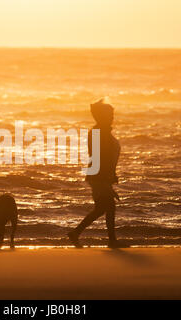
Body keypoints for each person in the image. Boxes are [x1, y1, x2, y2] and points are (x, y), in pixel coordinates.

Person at [68, 99, 128, 249]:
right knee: (109, 207)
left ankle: (76, 233)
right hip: (99, 175)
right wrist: (107, 178)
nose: (112, 117)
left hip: (102, 175)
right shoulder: (97, 132)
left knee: (102, 208)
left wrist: (111, 177)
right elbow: (99, 157)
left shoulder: (103, 132)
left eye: (113, 114)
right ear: (102, 116)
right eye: (109, 114)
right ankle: (111, 241)